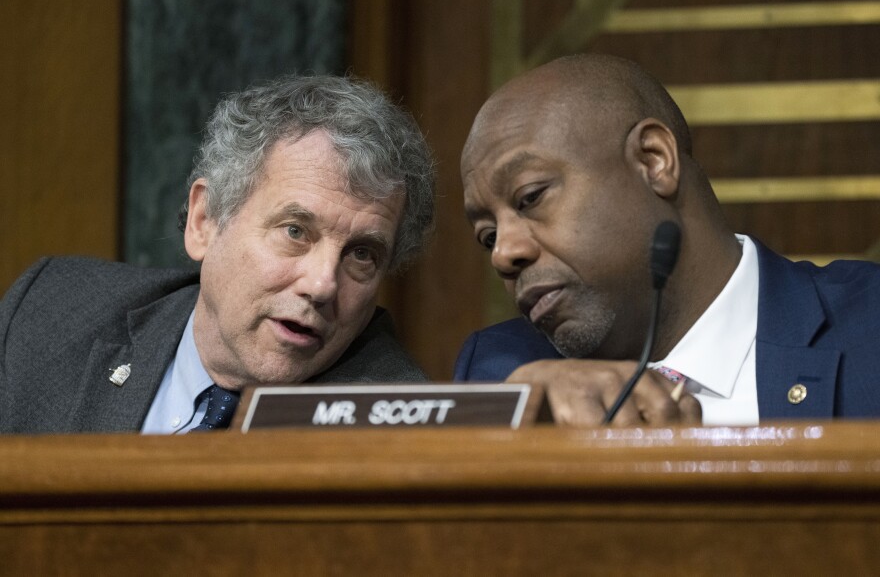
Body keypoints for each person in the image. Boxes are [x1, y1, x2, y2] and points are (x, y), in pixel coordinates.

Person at [454, 53, 880, 426]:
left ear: (654, 161)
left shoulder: (868, 326)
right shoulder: (503, 372)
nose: (504, 255)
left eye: (530, 197)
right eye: (488, 236)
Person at [0, 74, 435, 434]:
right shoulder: (47, 315)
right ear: (204, 221)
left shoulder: (392, 427)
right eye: (295, 231)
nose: (322, 284)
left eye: (362, 255)